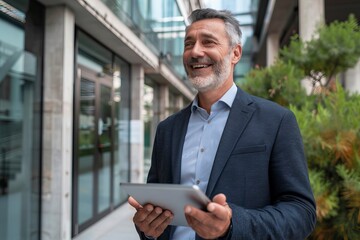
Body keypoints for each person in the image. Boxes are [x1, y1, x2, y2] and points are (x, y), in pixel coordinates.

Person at [128, 8, 316, 240]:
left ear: (235, 53)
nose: (195, 52)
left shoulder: (276, 120)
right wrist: (147, 228)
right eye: (189, 44)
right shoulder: (167, 129)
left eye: (208, 42)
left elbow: (301, 212)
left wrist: (231, 225)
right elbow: (156, 209)